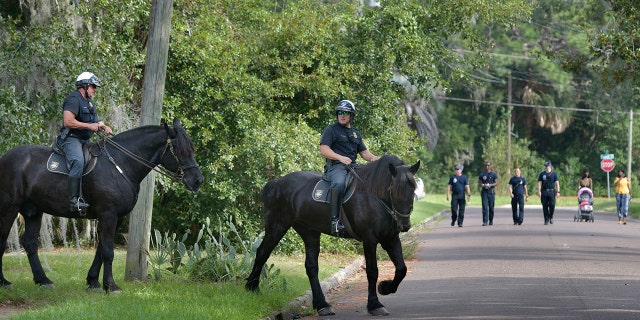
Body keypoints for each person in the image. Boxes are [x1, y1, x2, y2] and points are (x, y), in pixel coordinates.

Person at [320, 100, 379, 236]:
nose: (342, 115)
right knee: (339, 183)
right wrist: (340, 157)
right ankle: (335, 221)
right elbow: (324, 149)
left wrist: (374, 158)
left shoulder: (355, 133)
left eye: (345, 113)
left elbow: (364, 152)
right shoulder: (331, 130)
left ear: (351, 115)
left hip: (353, 167)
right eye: (340, 112)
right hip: (336, 167)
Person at [56, 72, 113, 213]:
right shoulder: (73, 99)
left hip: (84, 140)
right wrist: (89, 126)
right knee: (78, 161)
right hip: (71, 139)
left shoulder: (89, 102)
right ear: (84, 85)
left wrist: (103, 126)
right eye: (93, 86)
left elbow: (96, 120)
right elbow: (68, 121)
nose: (95, 89)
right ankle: (73, 201)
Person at [537, 161, 560, 225]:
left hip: (552, 191)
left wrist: (558, 192)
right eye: (546, 166)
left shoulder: (554, 174)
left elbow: (557, 183)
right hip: (544, 191)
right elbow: (539, 183)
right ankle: (546, 219)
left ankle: (551, 216)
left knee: (552, 205)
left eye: (547, 166)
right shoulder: (542, 174)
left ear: (550, 166)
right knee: (545, 206)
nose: (546, 167)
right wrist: (539, 191)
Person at [478, 161, 498, 226]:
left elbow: (496, 183)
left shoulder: (493, 174)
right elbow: (479, 183)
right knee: (485, 207)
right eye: (486, 165)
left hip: (491, 191)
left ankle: (491, 220)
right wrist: (483, 185)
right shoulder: (482, 174)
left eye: (488, 165)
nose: (487, 167)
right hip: (484, 192)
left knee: (491, 207)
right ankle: (485, 221)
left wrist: (491, 185)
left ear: (490, 166)